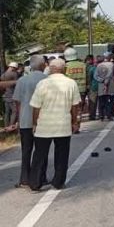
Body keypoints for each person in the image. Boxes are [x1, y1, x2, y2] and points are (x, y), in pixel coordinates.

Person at [28, 58, 81, 191]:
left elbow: (36, 107)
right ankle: (58, 182)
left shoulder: (42, 84)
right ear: (64, 69)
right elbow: (75, 106)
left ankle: (35, 183)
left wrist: (34, 123)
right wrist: (75, 122)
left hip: (44, 125)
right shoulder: (71, 83)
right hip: (63, 125)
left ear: (50, 69)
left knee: (39, 155)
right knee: (62, 155)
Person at [12, 55, 49, 189]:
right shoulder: (47, 80)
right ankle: (41, 177)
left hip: (25, 120)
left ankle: (24, 178)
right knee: (42, 150)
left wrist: (18, 119)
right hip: (43, 120)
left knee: (26, 150)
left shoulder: (22, 80)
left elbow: (17, 102)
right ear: (43, 65)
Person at [63, 48, 86, 130]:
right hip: (81, 89)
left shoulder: (65, 66)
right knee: (79, 109)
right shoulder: (83, 65)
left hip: (69, 90)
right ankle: (77, 126)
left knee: (70, 108)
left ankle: (72, 125)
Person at [2, 62, 19, 129]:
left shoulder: (3, 75)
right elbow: (17, 84)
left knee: (7, 112)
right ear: (13, 68)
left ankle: (6, 126)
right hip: (12, 95)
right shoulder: (14, 74)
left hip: (5, 95)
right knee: (14, 111)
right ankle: (11, 127)